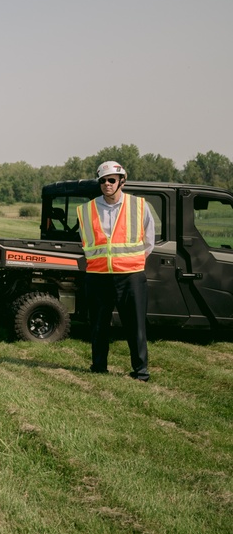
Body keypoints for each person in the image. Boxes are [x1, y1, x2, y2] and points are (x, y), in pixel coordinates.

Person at [77, 161, 154, 382]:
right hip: (98, 276)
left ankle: (141, 372)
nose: (107, 184)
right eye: (103, 181)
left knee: (135, 326)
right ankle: (98, 367)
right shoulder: (86, 210)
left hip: (131, 276)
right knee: (99, 325)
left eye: (111, 180)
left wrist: (130, 262)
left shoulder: (139, 206)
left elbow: (149, 241)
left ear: (122, 181)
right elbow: (85, 242)